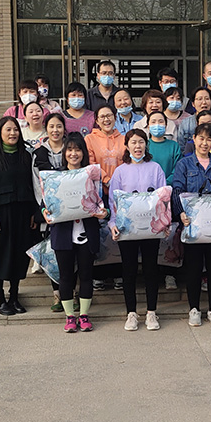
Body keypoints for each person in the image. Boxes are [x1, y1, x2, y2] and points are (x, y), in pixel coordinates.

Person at [171, 122, 211, 327]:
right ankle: (194, 309)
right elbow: (177, 190)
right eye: (201, 138)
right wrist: (180, 213)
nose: (204, 143)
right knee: (194, 269)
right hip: (193, 225)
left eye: (209, 139)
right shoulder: (184, 164)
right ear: (194, 140)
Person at [47, 133, 107, 332]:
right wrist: (45, 212)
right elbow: (45, 203)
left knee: (86, 275)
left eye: (78, 149)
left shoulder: (91, 176)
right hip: (63, 235)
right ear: (64, 153)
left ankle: (84, 315)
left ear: (84, 153)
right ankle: (70, 317)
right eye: (70, 149)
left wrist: (104, 212)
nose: (74, 154)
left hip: (87, 233)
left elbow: (101, 202)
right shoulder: (55, 177)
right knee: (66, 277)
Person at [108, 128, 167, 331]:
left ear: (146, 145)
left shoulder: (155, 169)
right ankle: (131, 313)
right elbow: (113, 202)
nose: (137, 146)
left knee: (151, 270)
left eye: (141, 142)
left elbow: (162, 199)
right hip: (127, 229)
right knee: (129, 270)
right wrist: (113, 225)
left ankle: (151, 312)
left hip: (150, 228)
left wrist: (164, 223)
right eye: (133, 142)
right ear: (127, 145)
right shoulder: (120, 171)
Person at [0, 116, 38, 316]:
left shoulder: (26, 156)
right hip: (1, 215)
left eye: (15, 130)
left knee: (19, 255)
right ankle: (0, 299)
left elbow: (33, 187)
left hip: (22, 213)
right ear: (0, 133)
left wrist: (33, 213)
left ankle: (14, 296)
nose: (12, 133)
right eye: (8, 130)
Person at [33, 113, 74, 313]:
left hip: (72, 210)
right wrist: (43, 207)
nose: (55, 130)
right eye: (51, 126)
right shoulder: (39, 153)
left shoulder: (71, 149)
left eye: (59, 126)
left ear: (64, 129)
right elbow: (36, 184)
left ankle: (72, 293)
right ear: (46, 129)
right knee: (53, 252)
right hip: (50, 211)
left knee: (72, 253)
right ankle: (57, 294)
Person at [85, 104, 127, 291]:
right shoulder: (90, 139)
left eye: (109, 115)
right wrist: (106, 179)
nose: (106, 119)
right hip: (98, 192)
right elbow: (90, 163)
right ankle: (99, 274)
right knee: (100, 232)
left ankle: (118, 273)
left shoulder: (124, 139)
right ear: (96, 120)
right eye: (102, 116)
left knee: (118, 231)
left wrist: (117, 183)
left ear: (115, 117)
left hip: (120, 192)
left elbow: (127, 162)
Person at [145, 111, 182, 291]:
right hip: (147, 196)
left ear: (166, 125)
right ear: (148, 125)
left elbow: (177, 169)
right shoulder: (144, 145)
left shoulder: (173, 146)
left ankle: (170, 273)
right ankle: (152, 274)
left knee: (169, 233)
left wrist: (163, 185)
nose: (157, 124)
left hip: (169, 194)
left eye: (161, 121)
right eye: (153, 121)